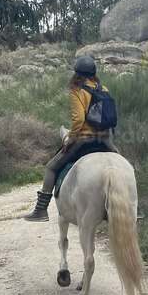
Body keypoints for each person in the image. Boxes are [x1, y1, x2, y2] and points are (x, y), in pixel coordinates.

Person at [23, 55, 119, 222]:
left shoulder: (77, 90)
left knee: (51, 167)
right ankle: (135, 207)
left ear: (77, 74)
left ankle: (41, 211)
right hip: (105, 139)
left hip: (85, 139)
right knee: (123, 165)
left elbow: (79, 120)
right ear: (93, 72)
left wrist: (70, 138)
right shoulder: (104, 89)